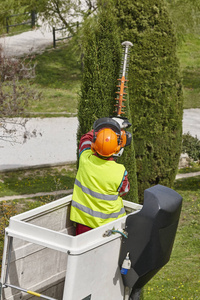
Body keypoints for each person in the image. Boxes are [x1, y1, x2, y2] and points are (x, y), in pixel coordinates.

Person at [70, 117, 132, 235]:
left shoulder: (85, 159)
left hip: (84, 223)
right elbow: (124, 191)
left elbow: (85, 139)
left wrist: (106, 127)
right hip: (111, 226)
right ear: (117, 147)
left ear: (94, 142)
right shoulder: (120, 171)